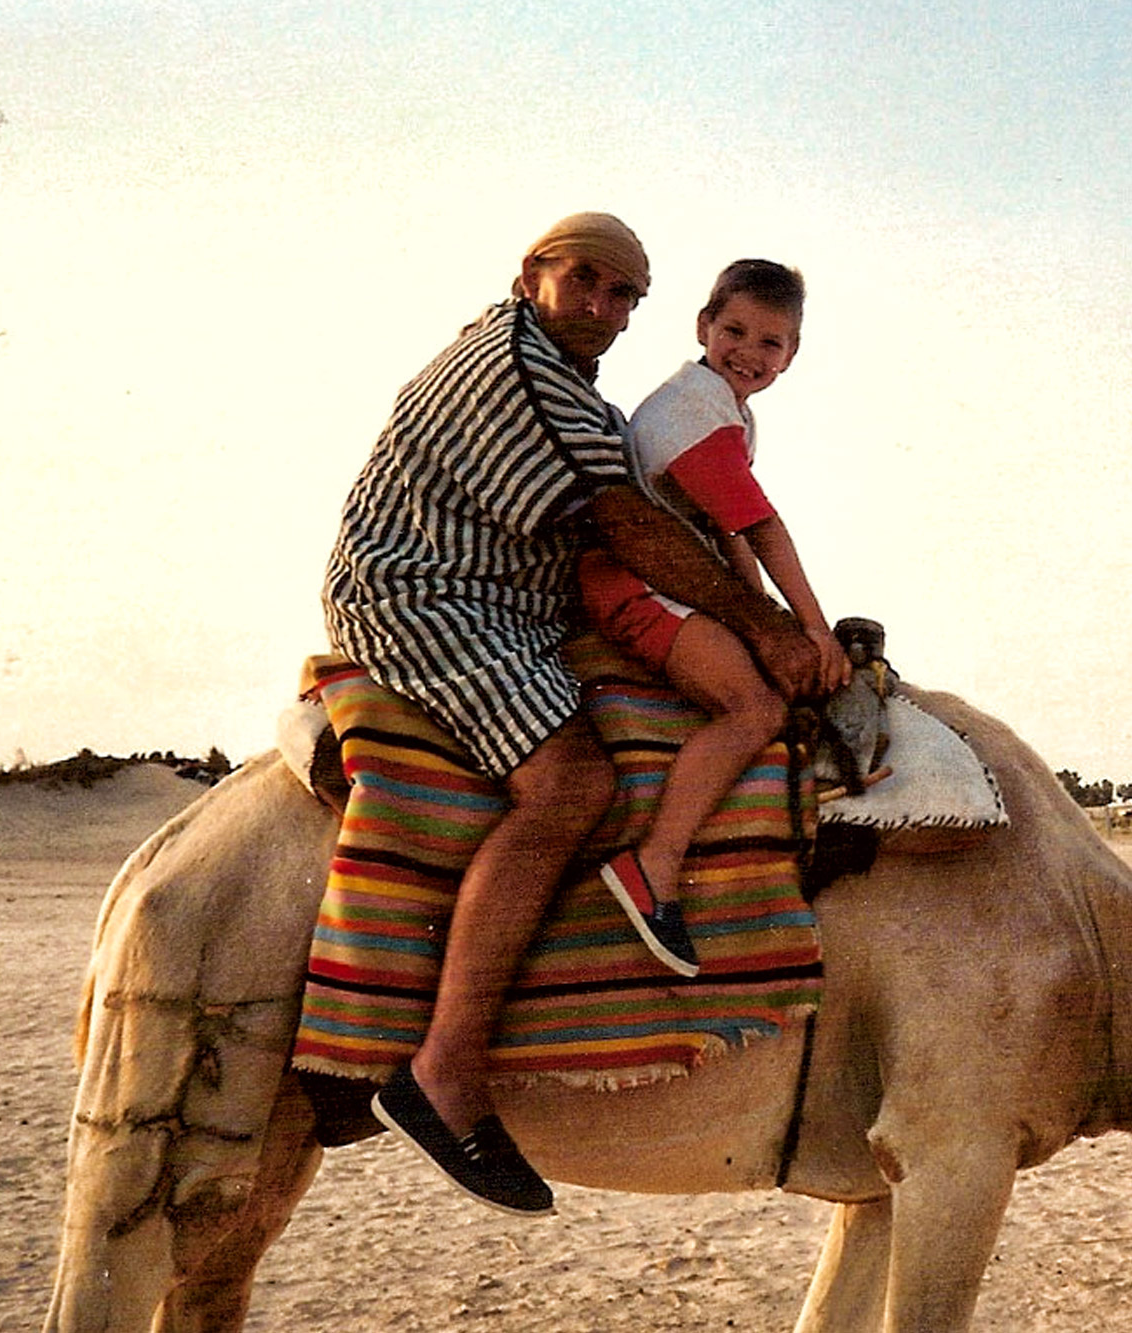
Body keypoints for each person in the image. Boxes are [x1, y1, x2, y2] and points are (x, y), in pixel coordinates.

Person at [323, 214, 827, 1214]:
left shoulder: (558, 373)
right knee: (572, 785)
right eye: (582, 283)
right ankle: (446, 1070)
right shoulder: (526, 376)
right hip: (431, 597)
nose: (600, 308)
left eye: (619, 296)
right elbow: (629, 523)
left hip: (513, 604)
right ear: (532, 274)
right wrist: (769, 627)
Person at [578, 259, 851, 948]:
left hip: (681, 581)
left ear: (791, 355)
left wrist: (769, 621)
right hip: (637, 582)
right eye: (734, 330)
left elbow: (728, 533)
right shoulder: (694, 406)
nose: (749, 353)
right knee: (753, 707)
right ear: (703, 326)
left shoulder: (728, 411)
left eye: (770, 342)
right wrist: (814, 630)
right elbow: (758, 524)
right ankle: (654, 862)